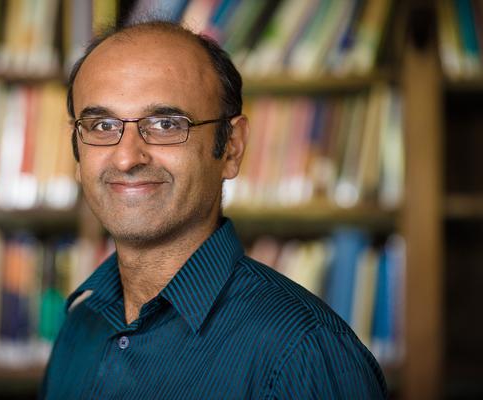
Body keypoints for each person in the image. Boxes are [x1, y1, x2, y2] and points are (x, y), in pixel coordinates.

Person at [40, 20, 387, 399]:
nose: (126, 158)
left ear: (232, 148)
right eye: (102, 124)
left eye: (166, 123)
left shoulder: (305, 352)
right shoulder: (80, 326)